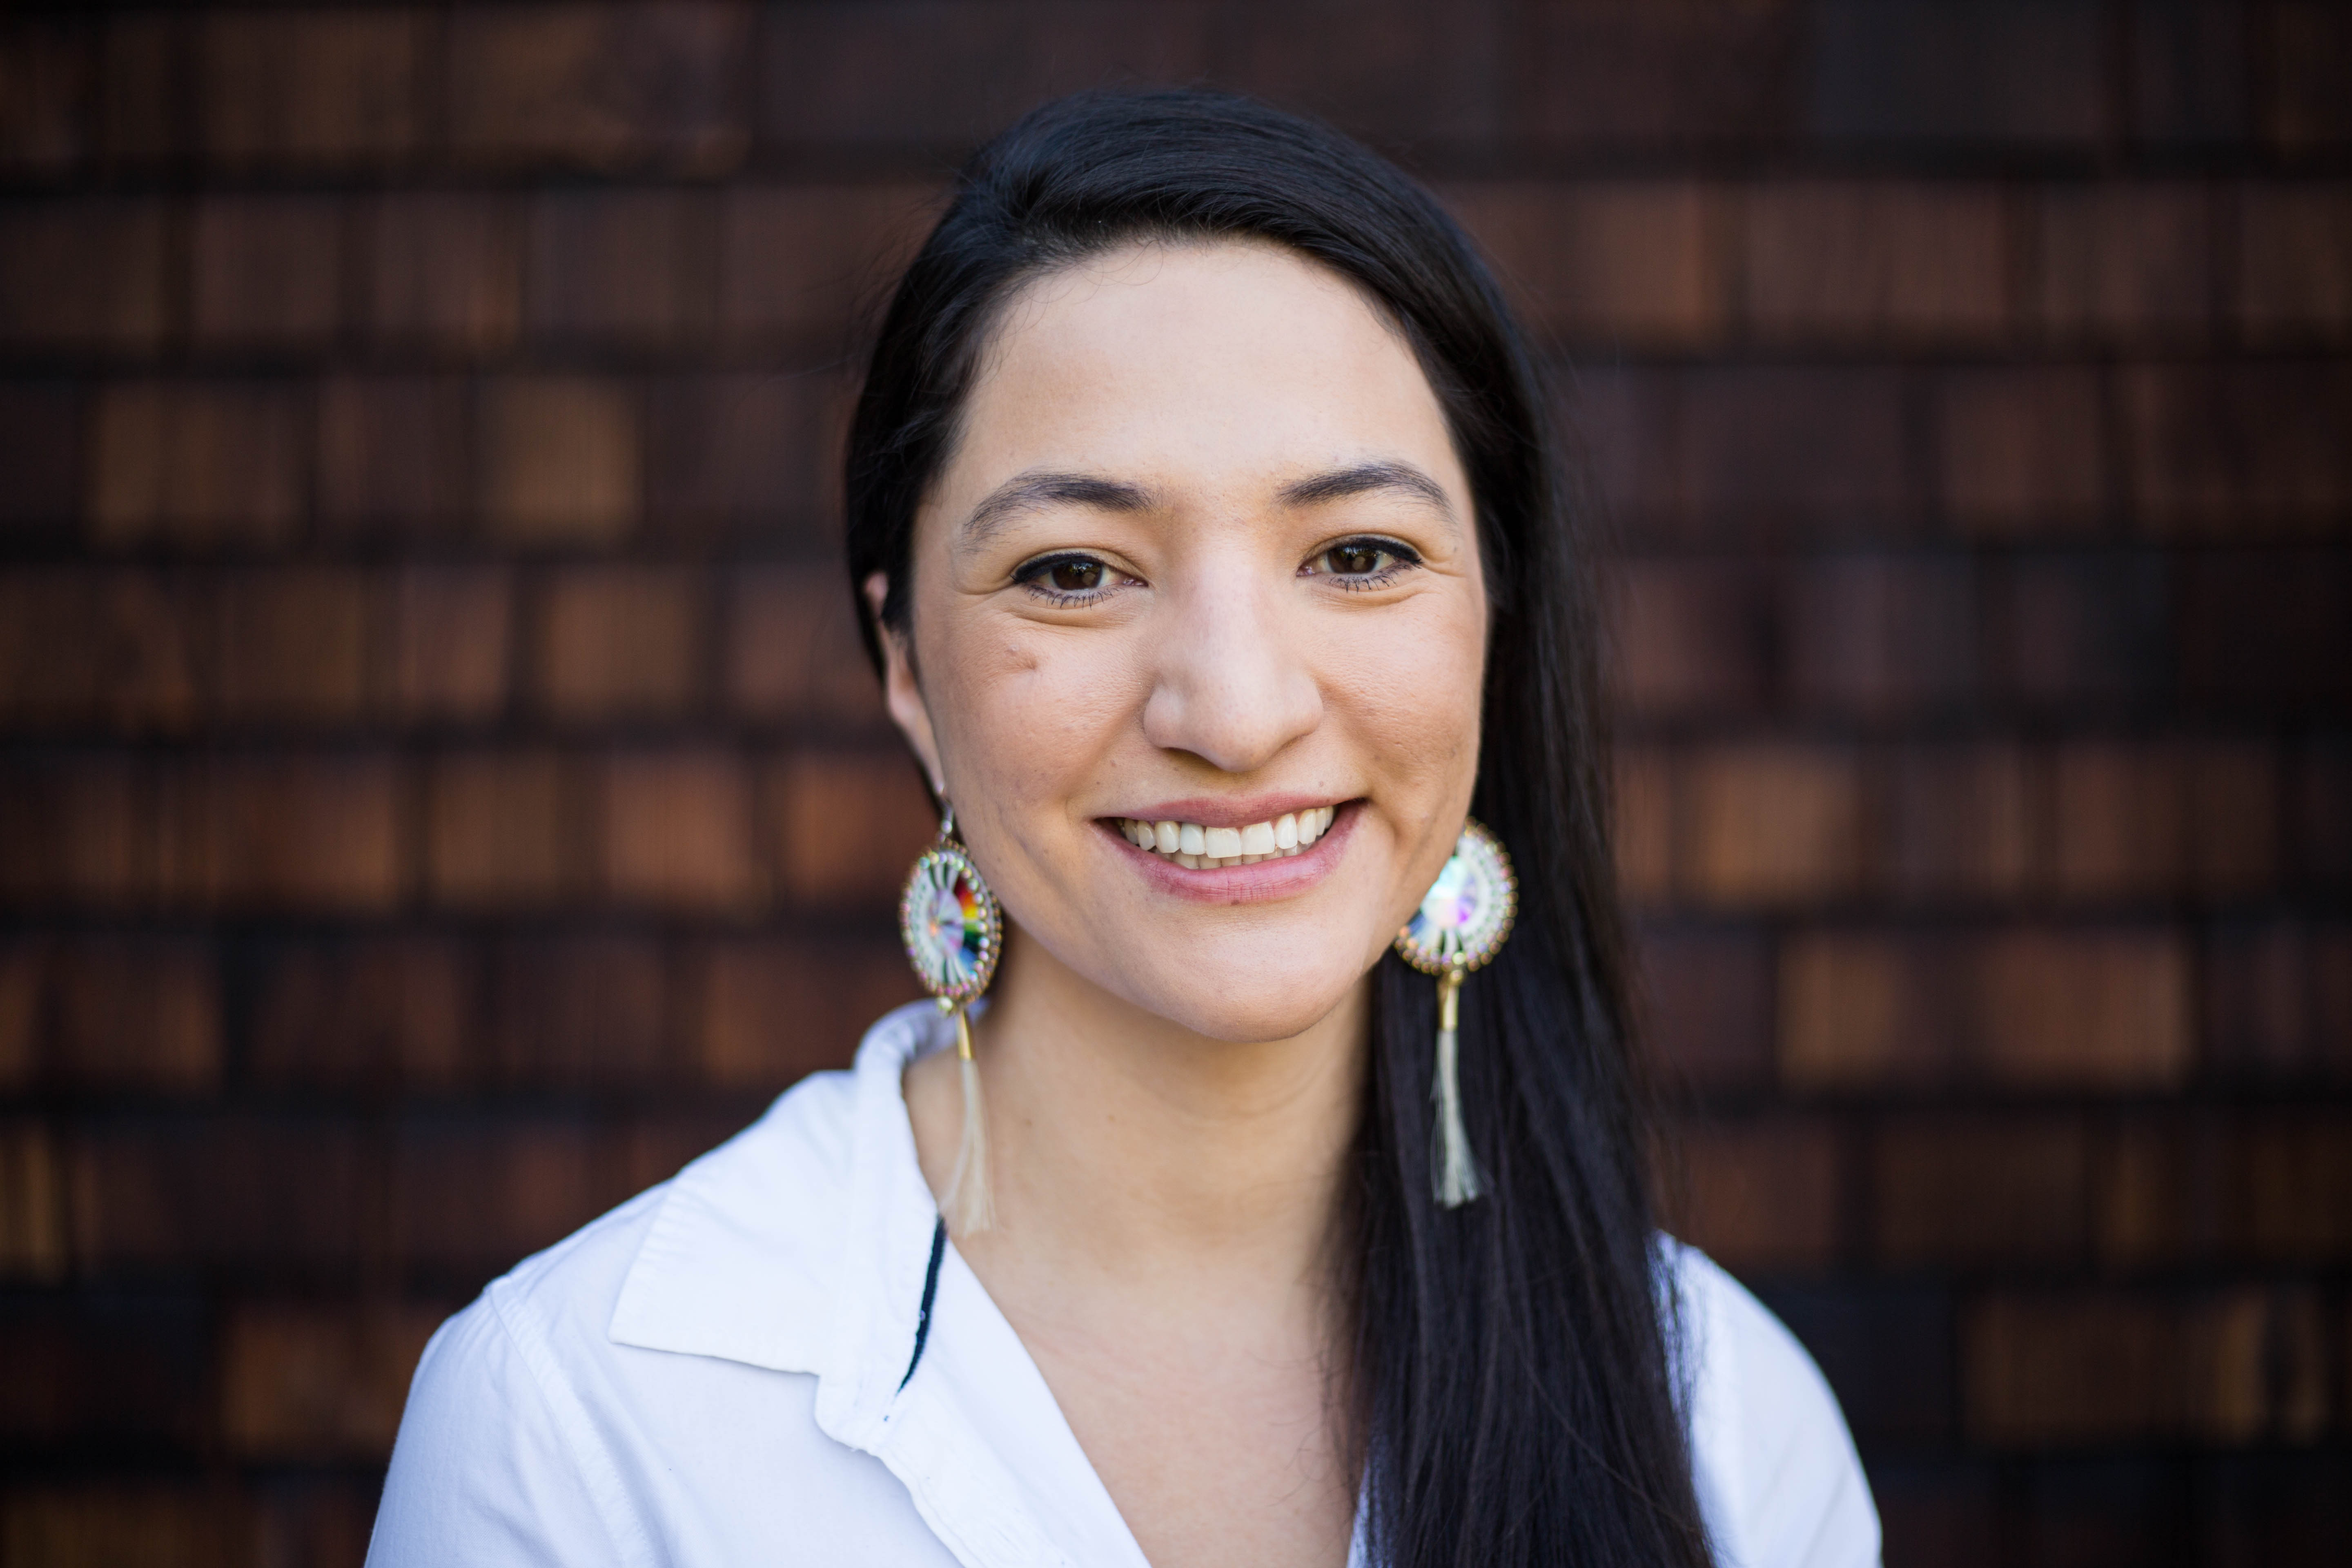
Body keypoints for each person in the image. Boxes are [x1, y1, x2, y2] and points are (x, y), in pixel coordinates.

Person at [367, 89, 1878, 1568]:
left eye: (1358, 553)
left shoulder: (1729, 1431)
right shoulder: (582, 1425)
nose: (1232, 712)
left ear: (1495, 611)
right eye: (1077, 572)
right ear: (902, 662)